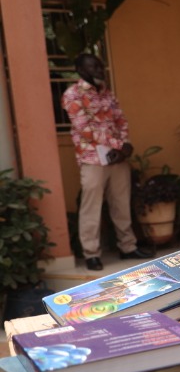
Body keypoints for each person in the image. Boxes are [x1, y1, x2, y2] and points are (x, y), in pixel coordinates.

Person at [62, 53, 154, 271]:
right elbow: (85, 129)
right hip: (92, 158)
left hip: (117, 158)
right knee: (91, 207)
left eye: (100, 66)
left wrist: (125, 144)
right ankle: (91, 254)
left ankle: (128, 247)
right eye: (94, 67)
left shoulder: (107, 94)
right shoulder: (72, 95)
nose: (99, 70)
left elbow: (121, 120)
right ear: (80, 70)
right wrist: (119, 146)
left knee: (121, 203)